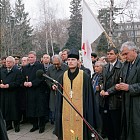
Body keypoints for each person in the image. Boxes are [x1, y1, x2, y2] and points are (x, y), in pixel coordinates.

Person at [54, 49, 95, 140]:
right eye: (69, 60)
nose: (70, 62)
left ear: (78, 61)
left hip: (81, 112)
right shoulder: (62, 76)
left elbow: (89, 98)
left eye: (73, 60)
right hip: (66, 113)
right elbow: (59, 99)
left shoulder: (84, 76)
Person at [115, 41, 140, 140]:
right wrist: (118, 86)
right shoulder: (125, 65)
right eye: (123, 54)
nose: (124, 56)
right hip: (127, 104)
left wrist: (129, 87)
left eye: (126, 53)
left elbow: (129, 86)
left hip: (137, 104)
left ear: (134, 51)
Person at [100, 47, 123, 140]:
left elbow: (120, 82)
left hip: (115, 101)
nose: (109, 55)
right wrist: (101, 89)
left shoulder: (121, 66)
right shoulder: (105, 67)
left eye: (111, 54)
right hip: (104, 100)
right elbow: (101, 79)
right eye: (108, 53)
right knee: (107, 125)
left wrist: (108, 92)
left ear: (116, 55)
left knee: (116, 126)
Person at [22, 51, 47, 133]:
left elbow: (41, 78)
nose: (30, 59)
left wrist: (32, 83)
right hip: (30, 92)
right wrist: (24, 83)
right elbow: (23, 78)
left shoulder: (40, 66)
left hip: (39, 91)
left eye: (32, 57)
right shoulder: (25, 67)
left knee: (40, 109)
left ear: (35, 58)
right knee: (32, 109)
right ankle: (35, 125)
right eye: (29, 57)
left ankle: (42, 126)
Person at [0, 56, 22, 132]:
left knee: (15, 110)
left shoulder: (17, 71)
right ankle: (8, 125)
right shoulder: (2, 71)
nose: (8, 63)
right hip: (4, 94)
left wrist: (9, 85)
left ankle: (16, 125)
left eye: (9, 61)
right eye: (7, 61)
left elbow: (18, 82)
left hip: (14, 94)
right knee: (6, 109)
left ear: (13, 63)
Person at [46, 55, 68, 124]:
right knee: (54, 109)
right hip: (54, 93)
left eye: (57, 64)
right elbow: (47, 79)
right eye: (54, 64)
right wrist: (51, 85)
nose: (56, 66)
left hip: (63, 92)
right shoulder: (50, 69)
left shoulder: (66, 68)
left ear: (61, 61)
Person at [91, 61, 105, 135]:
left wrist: (100, 88)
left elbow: (104, 85)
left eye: (97, 66)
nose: (95, 68)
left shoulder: (103, 75)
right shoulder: (94, 75)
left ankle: (100, 132)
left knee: (100, 116)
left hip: (99, 99)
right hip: (93, 97)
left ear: (102, 67)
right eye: (95, 66)